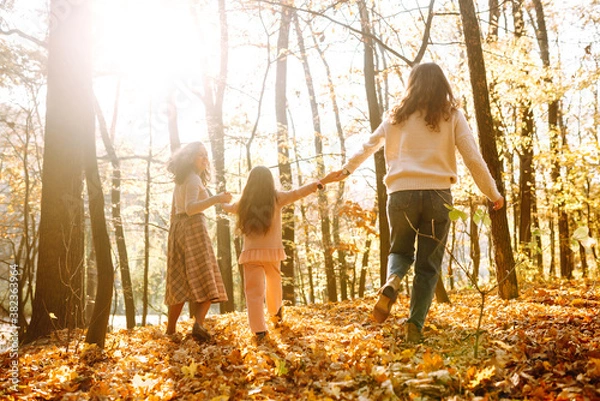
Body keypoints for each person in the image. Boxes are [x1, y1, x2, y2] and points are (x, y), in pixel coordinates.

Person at [323, 62, 504, 343]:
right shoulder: (452, 115)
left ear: (412, 85)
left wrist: (346, 170)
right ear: (442, 85)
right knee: (428, 265)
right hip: (438, 196)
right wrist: (493, 193)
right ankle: (414, 325)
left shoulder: (396, 116)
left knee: (401, 251)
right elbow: (472, 157)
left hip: (400, 195)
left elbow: (368, 145)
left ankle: (392, 281)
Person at [223, 166, 325, 342]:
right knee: (274, 285)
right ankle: (275, 315)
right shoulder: (276, 197)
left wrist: (217, 200)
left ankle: (259, 329)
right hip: (271, 253)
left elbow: (229, 207)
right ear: (269, 181)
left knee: (253, 292)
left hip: (251, 254)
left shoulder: (244, 202)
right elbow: (296, 193)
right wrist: (315, 185)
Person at [165, 141, 232, 342]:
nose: (205, 159)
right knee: (206, 276)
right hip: (193, 229)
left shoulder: (183, 179)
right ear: (190, 158)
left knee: (180, 280)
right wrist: (217, 199)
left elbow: (177, 210)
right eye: (200, 155)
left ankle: (170, 330)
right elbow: (191, 208)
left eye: (206, 155)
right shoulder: (193, 179)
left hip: (178, 230)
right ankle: (199, 324)